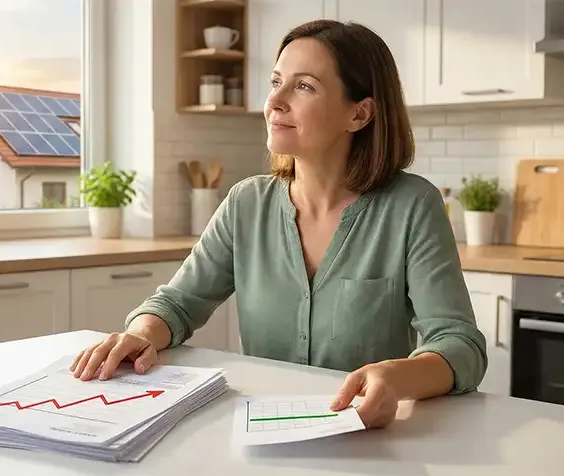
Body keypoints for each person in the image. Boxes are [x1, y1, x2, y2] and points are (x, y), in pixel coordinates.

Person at [70, 19, 487, 429]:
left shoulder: (412, 206)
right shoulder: (246, 203)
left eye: (303, 86)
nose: (275, 101)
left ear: (359, 114)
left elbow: (460, 345)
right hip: (262, 434)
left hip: (367, 443)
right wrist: (142, 333)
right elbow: (177, 305)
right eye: (275, 82)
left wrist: (396, 379)